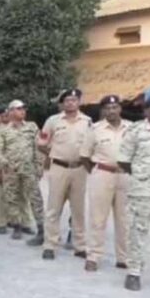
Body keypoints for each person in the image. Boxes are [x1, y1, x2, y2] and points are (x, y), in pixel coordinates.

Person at [37, 88, 92, 259]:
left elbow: (91, 145)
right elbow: (41, 143)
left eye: (74, 100)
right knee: (54, 208)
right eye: (67, 100)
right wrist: (53, 153)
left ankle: (80, 246)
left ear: (79, 102)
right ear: (63, 103)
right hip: (59, 168)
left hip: (79, 169)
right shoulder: (53, 121)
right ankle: (50, 245)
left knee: (78, 209)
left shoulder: (87, 121)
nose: (70, 103)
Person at [80, 94, 131, 272]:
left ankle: (123, 257)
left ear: (120, 109)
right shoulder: (95, 129)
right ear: (103, 110)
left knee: (125, 219)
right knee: (98, 217)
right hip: (102, 173)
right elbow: (84, 156)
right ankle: (93, 256)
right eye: (108, 108)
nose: (111, 111)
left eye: (115, 107)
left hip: (125, 175)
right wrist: (96, 172)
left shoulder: (131, 128)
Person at [117, 87, 150, 291]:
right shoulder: (135, 131)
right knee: (138, 231)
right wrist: (142, 176)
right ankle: (134, 272)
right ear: (146, 109)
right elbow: (123, 160)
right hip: (142, 190)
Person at [0, 100, 44, 241]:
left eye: (24, 108)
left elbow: (38, 148)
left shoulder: (32, 127)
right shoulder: (3, 131)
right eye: (19, 108)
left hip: (29, 170)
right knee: (12, 198)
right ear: (10, 111)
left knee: (35, 198)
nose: (23, 111)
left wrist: (39, 166)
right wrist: (5, 162)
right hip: (11, 171)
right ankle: (17, 226)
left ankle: (41, 228)